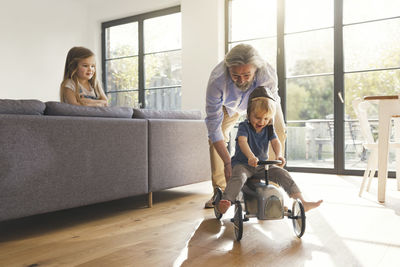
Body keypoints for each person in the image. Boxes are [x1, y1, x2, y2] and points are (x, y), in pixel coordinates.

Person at [217, 86, 322, 214]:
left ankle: (302, 202)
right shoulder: (244, 126)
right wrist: (250, 156)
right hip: (243, 164)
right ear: (249, 113)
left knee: (282, 173)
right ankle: (227, 200)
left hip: (262, 166)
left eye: (266, 118)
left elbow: (275, 142)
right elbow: (242, 142)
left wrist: (279, 155)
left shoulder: (269, 128)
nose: (262, 122)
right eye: (257, 117)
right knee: (239, 176)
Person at [204, 43, 286, 208]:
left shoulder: (267, 74)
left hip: (262, 104)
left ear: (256, 69)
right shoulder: (217, 80)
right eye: (235, 75)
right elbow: (213, 125)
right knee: (216, 136)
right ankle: (221, 190)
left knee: (278, 130)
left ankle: (270, 192)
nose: (241, 80)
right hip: (230, 106)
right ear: (228, 69)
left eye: (247, 75)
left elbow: (269, 113)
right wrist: (229, 163)